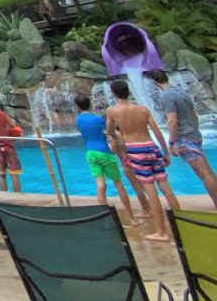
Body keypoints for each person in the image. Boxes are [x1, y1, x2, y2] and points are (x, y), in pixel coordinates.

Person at [105, 79, 181, 241]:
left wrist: (117, 137)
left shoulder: (112, 111)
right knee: (165, 186)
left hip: (135, 149)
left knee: (150, 190)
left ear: (113, 93)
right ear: (129, 91)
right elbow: (157, 132)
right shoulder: (143, 109)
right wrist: (165, 151)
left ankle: (161, 232)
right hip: (151, 146)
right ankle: (183, 224)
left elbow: (110, 130)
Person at [149, 69, 217, 209]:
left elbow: (172, 121)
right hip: (193, 135)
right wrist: (195, 131)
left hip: (185, 138)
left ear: (154, 82)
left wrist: (172, 142)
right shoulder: (182, 92)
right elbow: (194, 115)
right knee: (208, 171)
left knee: (203, 174)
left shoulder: (166, 97)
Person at [74, 94, 141, 226]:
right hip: (104, 152)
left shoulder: (78, 120)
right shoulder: (98, 119)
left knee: (100, 185)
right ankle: (131, 218)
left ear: (78, 106)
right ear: (90, 104)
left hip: (90, 153)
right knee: (118, 184)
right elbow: (111, 132)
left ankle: (105, 218)